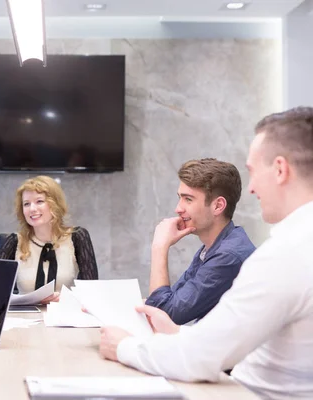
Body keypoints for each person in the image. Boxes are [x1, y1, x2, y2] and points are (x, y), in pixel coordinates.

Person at [99, 107, 313, 400]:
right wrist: (179, 333)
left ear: (279, 169)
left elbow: (200, 359)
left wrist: (123, 346)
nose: (251, 189)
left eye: (253, 172)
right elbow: (234, 344)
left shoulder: (285, 255)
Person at [145, 159, 256, 325]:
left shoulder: (228, 256)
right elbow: (171, 301)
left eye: (188, 199)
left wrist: (159, 247)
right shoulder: (216, 245)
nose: (178, 208)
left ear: (218, 206)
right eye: (180, 198)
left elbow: (165, 316)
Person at [0, 176, 98, 303]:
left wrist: (66, 298)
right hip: (23, 319)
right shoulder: (14, 242)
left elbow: (91, 291)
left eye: (39, 201)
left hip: (65, 316)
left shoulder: (77, 237)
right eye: (26, 204)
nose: (32, 209)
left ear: (55, 204)